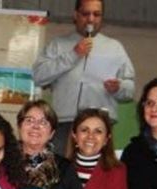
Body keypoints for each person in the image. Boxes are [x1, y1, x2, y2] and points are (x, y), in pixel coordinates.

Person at [32, 0, 135, 154]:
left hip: (100, 126)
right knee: (61, 167)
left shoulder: (115, 48)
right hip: (64, 125)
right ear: (76, 15)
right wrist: (73, 54)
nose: (91, 19)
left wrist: (119, 87)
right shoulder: (58, 45)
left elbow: (130, 89)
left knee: (97, 168)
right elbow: (39, 76)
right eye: (86, 14)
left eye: (97, 14)